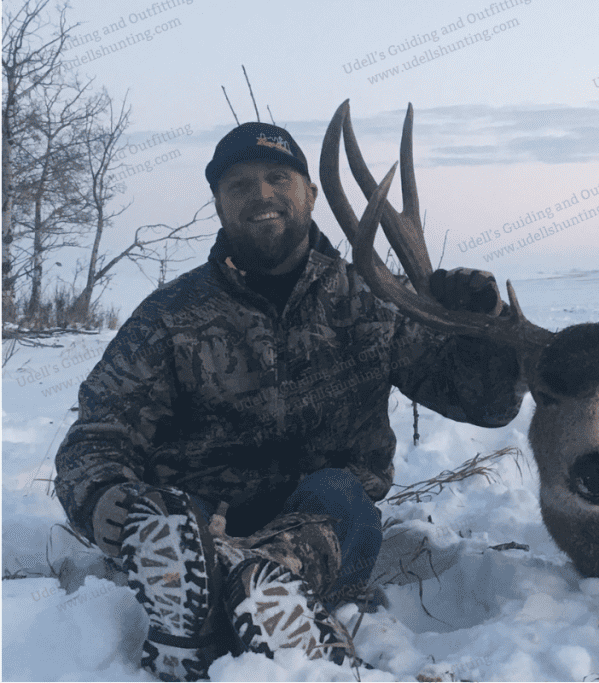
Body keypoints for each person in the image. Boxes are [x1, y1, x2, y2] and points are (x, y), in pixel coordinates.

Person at [53, 122, 524, 680]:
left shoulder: (373, 301)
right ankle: (256, 597)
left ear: (310, 194)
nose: (262, 194)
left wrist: (484, 330)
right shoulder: (168, 317)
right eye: (239, 185)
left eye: (278, 177)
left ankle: (215, 599)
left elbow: (487, 405)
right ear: (219, 205)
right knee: (171, 521)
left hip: (327, 515)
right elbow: (97, 436)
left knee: (341, 496)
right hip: (203, 516)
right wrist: (108, 502)